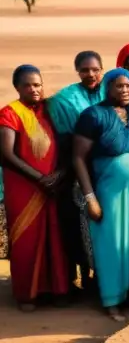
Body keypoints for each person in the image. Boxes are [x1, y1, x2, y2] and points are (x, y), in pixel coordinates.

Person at [71, 69, 129, 321]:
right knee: (112, 244)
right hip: (110, 192)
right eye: (119, 86)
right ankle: (113, 300)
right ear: (107, 88)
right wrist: (90, 198)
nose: (125, 91)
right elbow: (78, 157)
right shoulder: (93, 115)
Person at [0, 65, 69, 310]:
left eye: (37, 84)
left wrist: (59, 173)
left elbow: (63, 143)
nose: (34, 89)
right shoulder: (10, 113)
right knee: (26, 239)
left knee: (52, 235)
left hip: (52, 184)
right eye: (28, 85)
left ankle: (54, 289)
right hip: (24, 186)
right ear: (17, 87)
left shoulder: (49, 111)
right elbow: (6, 155)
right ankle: (27, 294)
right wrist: (40, 179)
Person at [47, 51, 105, 287]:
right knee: (81, 223)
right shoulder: (65, 99)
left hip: (106, 167)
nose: (90, 74)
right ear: (78, 71)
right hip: (79, 167)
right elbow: (63, 140)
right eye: (84, 70)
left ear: (102, 69)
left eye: (94, 69)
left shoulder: (110, 90)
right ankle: (84, 275)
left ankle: (104, 274)